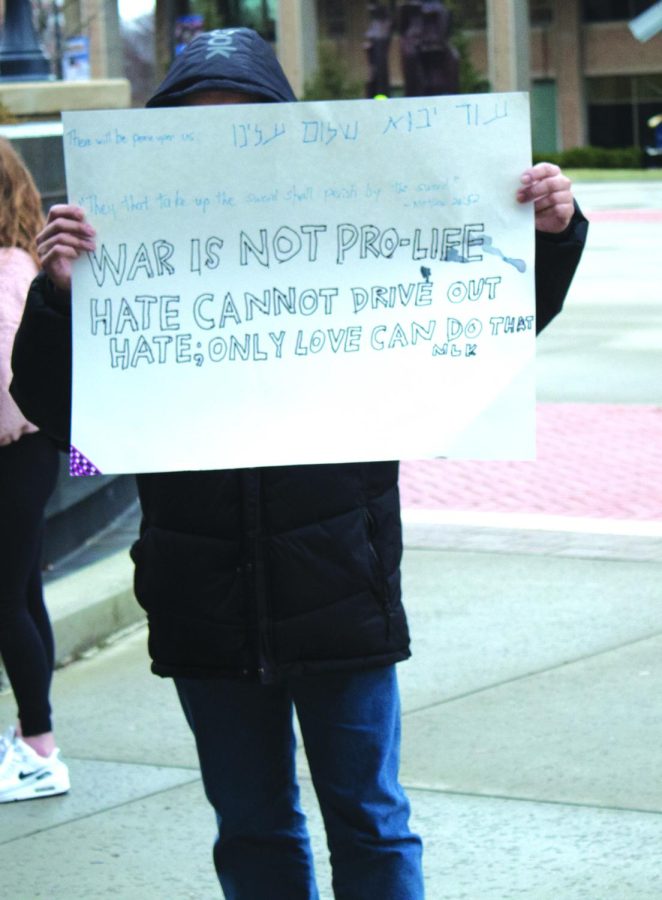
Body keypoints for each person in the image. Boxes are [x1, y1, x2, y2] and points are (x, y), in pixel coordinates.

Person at [10, 28, 587, 898]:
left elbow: (474, 330)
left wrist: (550, 233)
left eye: (244, 123)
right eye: (198, 127)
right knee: (252, 831)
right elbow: (57, 410)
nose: (222, 147)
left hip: (338, 596)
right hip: (202, 601)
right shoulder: (109, 250)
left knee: (371, 823)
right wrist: (59, 297)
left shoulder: (352, 229)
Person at [0, 138, 70, 802]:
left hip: (14, 452)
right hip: (31, 450)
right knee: (22, 595)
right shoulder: (22, 263)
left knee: (6, 600)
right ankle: (35, 738)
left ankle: (39, 749)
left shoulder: (5, 270)